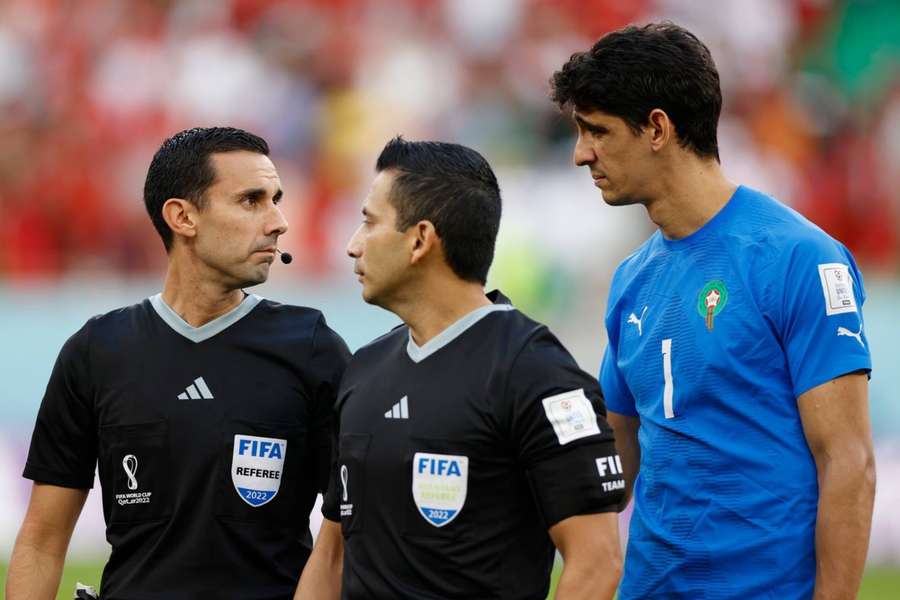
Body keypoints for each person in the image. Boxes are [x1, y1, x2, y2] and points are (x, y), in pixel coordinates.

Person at [549, 22, 875, 600]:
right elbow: (611, 470)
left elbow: (847, 462)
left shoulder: (798, 258)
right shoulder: (631, 281)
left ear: (657, 128)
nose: (582, 154)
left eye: (596, 131)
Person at [6, 127, 351, 599]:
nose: (278, 221)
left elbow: (352, 533)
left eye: (276, 199)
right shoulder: (97, 351)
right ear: (182, 217)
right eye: (252, 201)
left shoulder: (311, 348)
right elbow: (43, 540)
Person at [295, 137, 625, 600]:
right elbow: (331, 556)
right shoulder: (364, 369)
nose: (352, 246)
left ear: (420, 240)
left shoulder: (534, 372)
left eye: (369, 222)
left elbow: (596, 561)